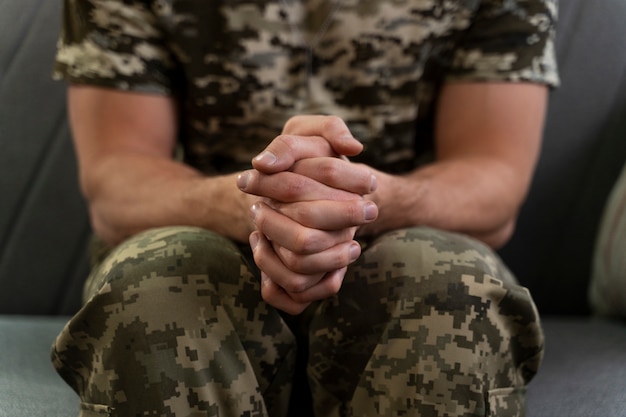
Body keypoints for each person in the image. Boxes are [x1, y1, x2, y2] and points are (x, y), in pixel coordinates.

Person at [51, 0, 559, 416]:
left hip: (408, 232)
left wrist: (360, 200)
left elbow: (492, 180)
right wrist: (258, 202)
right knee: (154, 290)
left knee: (449, 287)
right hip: (200, 226)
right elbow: (117, 180)